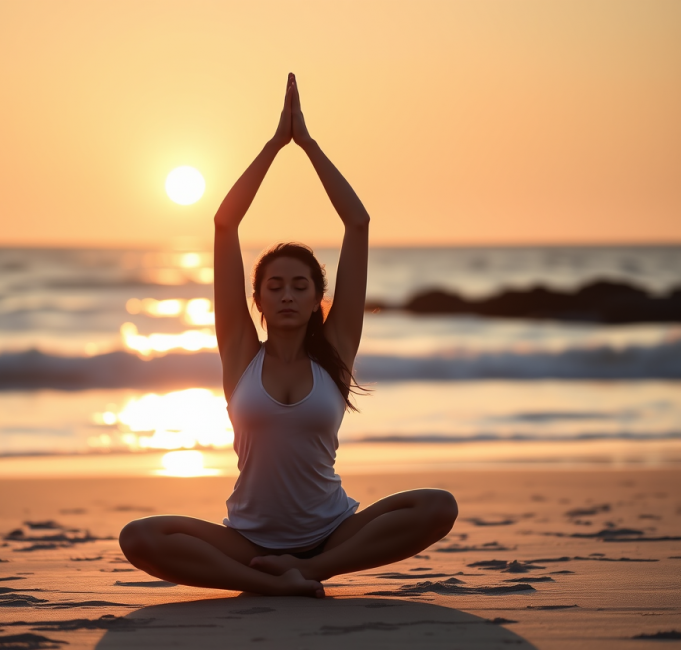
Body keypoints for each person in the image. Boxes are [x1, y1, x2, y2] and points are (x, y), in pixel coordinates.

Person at [120, 74, 458, 597]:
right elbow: (224, 224)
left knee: (438, 505)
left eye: (300, 286)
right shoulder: (238, 354)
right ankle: (277, 584)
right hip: (248, 539)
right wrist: (275, 145)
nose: (286, 295)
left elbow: (359, 223)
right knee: (139, 537)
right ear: (256, 299)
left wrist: (311, 145)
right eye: (274, 285)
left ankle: (311, 574)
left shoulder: (337, 352)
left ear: (316, 299)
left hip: (331, 534)